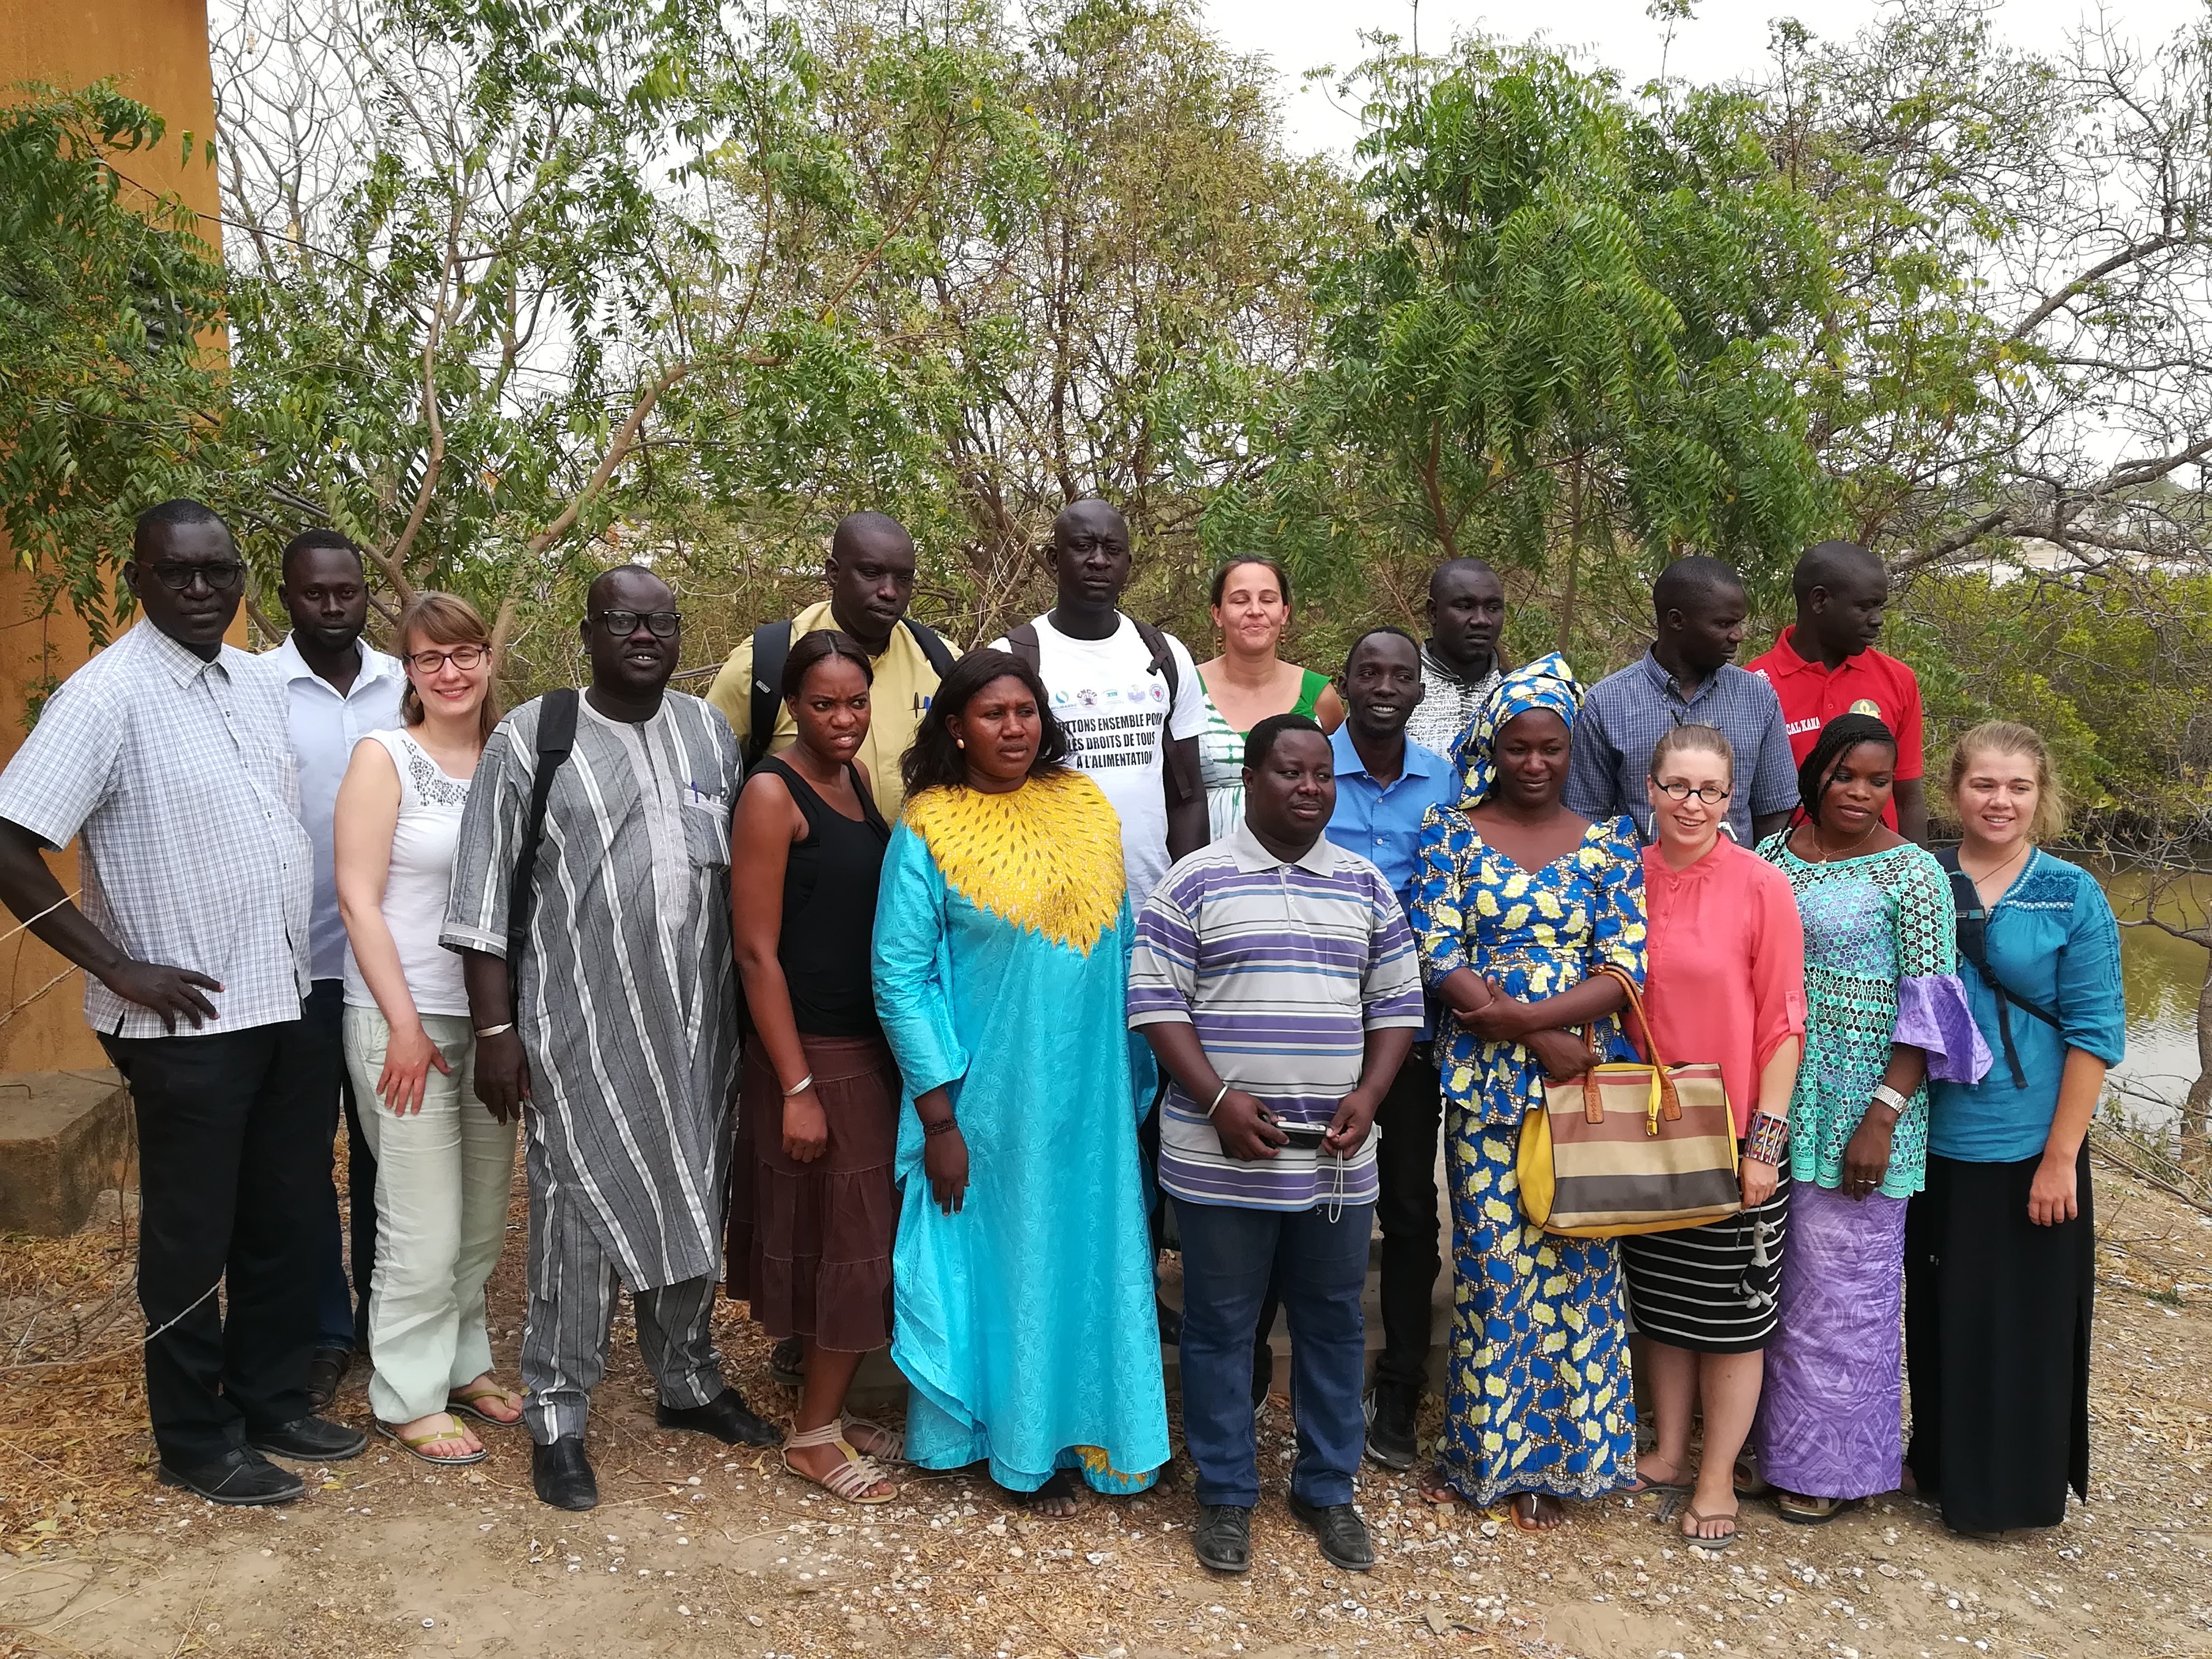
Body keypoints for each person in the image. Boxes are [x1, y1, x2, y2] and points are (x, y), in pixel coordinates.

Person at [0, 499, 365, 1504]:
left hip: (283, 997)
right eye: (178, 574)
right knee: (190, 1234)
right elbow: (10, 839)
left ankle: (269, 1397)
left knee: (283, 1215)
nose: (202, 591)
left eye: (219, 573)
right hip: (184, 1024)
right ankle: (195, 1439)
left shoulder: (253, 679)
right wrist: (116, 964)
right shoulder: (104, 696)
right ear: (138, 578)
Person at [443, 566, 780, 1512]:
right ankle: (556, 1410)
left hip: (698, 1031)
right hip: (574, 1029)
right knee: (575, 1219)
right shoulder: (531, 740)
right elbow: (478, 907)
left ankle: (687, 1380)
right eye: (622, 620)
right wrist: (496, 1032)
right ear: (587, 632)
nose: (643, 635)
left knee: (690, 1196)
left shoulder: (708, 733)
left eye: (660, 621)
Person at [872, 649, 1170, 1516]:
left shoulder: (1086, 805)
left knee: (1088, 1253)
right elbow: (900, 976)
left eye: (1026, 711)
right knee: (1010, 1263)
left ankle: (1096, 1438)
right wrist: (939, 1121)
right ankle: (1014, 1444)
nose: (1013, 727)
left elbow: (1120, 951)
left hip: (1092, 1095)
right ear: (956, 728)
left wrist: (1135, 1074)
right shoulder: (927, 826)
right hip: (986, 1101)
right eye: (993, 713)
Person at [1131, 712, 1422, 1575]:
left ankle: (1327, 1488)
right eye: (1291, 773)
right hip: (1221, 1158)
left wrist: (1371, 1096)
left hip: (1335, 1162)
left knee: (1333, 1327)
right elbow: (1155, 1006)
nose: (1309, 789)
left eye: (1322, 776)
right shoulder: (1193, 884)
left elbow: (1398, 1007)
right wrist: (1217, 1099)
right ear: (1251, 779)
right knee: (1221, 1328)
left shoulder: (1366, 885)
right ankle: (1225, 1494)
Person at [1407, 654, 1646, 1531]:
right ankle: (1487, 1457)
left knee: (1580, 1265)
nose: (1535, 764)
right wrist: (1529, 1031)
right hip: (1486, 1083)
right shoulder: (1449, 833)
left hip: (1582, 1088)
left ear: (1568, 747)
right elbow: (1438, 953)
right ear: (1492, 748)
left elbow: (1626, 968)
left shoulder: (1613, 839)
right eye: (1518, 749)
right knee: (1494, 1271)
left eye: (1550, 748)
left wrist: (1539, 1023)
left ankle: (1570, 1463)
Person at [1752, 714, 1986, 1524]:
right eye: (1846, 775)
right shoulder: (1771, 858)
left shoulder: (1913, 875)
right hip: (1780, 1096)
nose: (1859, 793)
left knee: (1847, 1297)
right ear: (1815, 772)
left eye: (1879, 782)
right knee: (1774, 1283)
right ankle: (1771, 1447)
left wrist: (1882, 1116)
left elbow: (1931, 1013)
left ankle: (1836, 1468)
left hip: (1864, 1108)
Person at [1905, 722, 2123, 1533]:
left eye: (2018, 787)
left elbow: (2095, 1032)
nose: (2000, 801)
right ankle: (1939, 1468)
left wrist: (2062, 1158)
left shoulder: (2071, 893)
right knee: (1940, 1311)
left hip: (2032, 1142)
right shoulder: (1920, 876)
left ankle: (2012, 1492)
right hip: (1928, 1134)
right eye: (1984, 785)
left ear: (2041, 797)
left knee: (2024, 1320)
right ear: (1956, 790)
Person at [333, 592, 518, 1466]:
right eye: (428, 659)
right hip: (400, 1020)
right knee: (421, 1223)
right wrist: (403, 1024)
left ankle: (462, 1363)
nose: (450, 673)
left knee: (482, 1216)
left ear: (488, 658)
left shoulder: (511, 757)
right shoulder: (386, 758)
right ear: (406, 673)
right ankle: (407, 1391)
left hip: (490, 1024)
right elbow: (357, 900)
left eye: (464, 654)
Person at [1616, 725, 1806, 1548]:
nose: (1693, 804)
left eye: (1711, 791)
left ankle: (1718, 1473)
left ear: (1733, 800)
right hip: (1650, 1128)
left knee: (1732, 1317)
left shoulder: (1761, 885)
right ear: (1649, 790)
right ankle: (1666, 1450)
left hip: (1735, 1133)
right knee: (1661, 1300)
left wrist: (1765, 1143)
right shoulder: (1625, 876)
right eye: (1678, 787)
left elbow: (1784, 1020)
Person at [726, 631, 900, 1505]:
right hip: (815, 1052)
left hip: (868, 1044)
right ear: (793, 705)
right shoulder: (772, 792)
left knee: (850, 1237)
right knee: (853, 1247)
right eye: (825, 704)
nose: (844, 719)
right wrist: (795, 1086)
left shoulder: (855, 781)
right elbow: (756, 954)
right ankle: (812, 1437)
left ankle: (825, 1410)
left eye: (857, 703)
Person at [266, 528, 407, 1411]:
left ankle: (386, 1317)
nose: (331, 605)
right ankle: (323, 1327)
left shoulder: (407, 683)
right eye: (314, 593)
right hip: (296, 966)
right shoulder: (253, 689)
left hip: (392, 968)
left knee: (388, 1150)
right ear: (286, 597)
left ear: (365, 594)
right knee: (301, 1159)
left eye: (346, 591)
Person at [1320, 628, 1457, 1472]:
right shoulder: (1303, 763)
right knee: (1291, 1196)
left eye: (1399, 674)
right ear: (1346, 682)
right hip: (1306, 1025)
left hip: (1405, 1032)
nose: (1383, 685)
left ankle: (1401, 1382)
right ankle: (1270, 1364)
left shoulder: (1444, 781)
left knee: (1409, 1207)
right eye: (1368, 671)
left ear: (1416, 689)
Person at [989, 499, 1207, 903]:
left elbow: (1188, 796)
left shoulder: (1166, 656)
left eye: (1112, 549)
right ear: (1054, 559)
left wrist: (1189, 899)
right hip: (1049, 908)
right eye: (1083, 547)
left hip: (1153, 908)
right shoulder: (1013, 657)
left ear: (1127, 562)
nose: (1098, 561)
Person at [703, 510, 957, 820]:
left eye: (903, 579)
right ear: (833, 573)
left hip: (923, 864)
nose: (889, 592)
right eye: (871, 573)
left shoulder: (943, 663)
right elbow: (703, 781)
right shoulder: (763, 665)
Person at [1564, 557, 1798, 847]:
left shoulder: (1758, 698)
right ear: (1676, 621)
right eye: (1724, 623)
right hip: (1641, 886)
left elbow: (1773, 815)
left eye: (1738, 624)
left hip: (1735, 888)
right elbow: (1585, 819)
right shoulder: (1606, 704)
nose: (1737, 636)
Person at [1747, 541, 1928, 842]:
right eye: (1865, 606)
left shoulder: (1898, 679)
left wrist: (1922, 880)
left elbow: (1908, 795)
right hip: (1789, 873)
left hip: (1880, 875)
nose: (1878, 619)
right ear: (1819, 601)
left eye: (1880, 607)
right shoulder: (1753, 686)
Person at [1193, 556, 1344, 840]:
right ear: (1217, 614)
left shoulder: (1317, 695)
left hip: (1300, 867)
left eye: (1268, 600)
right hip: (1207, 865)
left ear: (1284, 612)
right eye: (1240, 600)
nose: (1255, 611)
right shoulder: (1187, 688)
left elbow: (1339, 782)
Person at [1403, 558, 1507, 763]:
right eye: (1464, 606)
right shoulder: (1395, 689)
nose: (1481, 620)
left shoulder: (1517, 693)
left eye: (1493, 608)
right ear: (1433, 612)